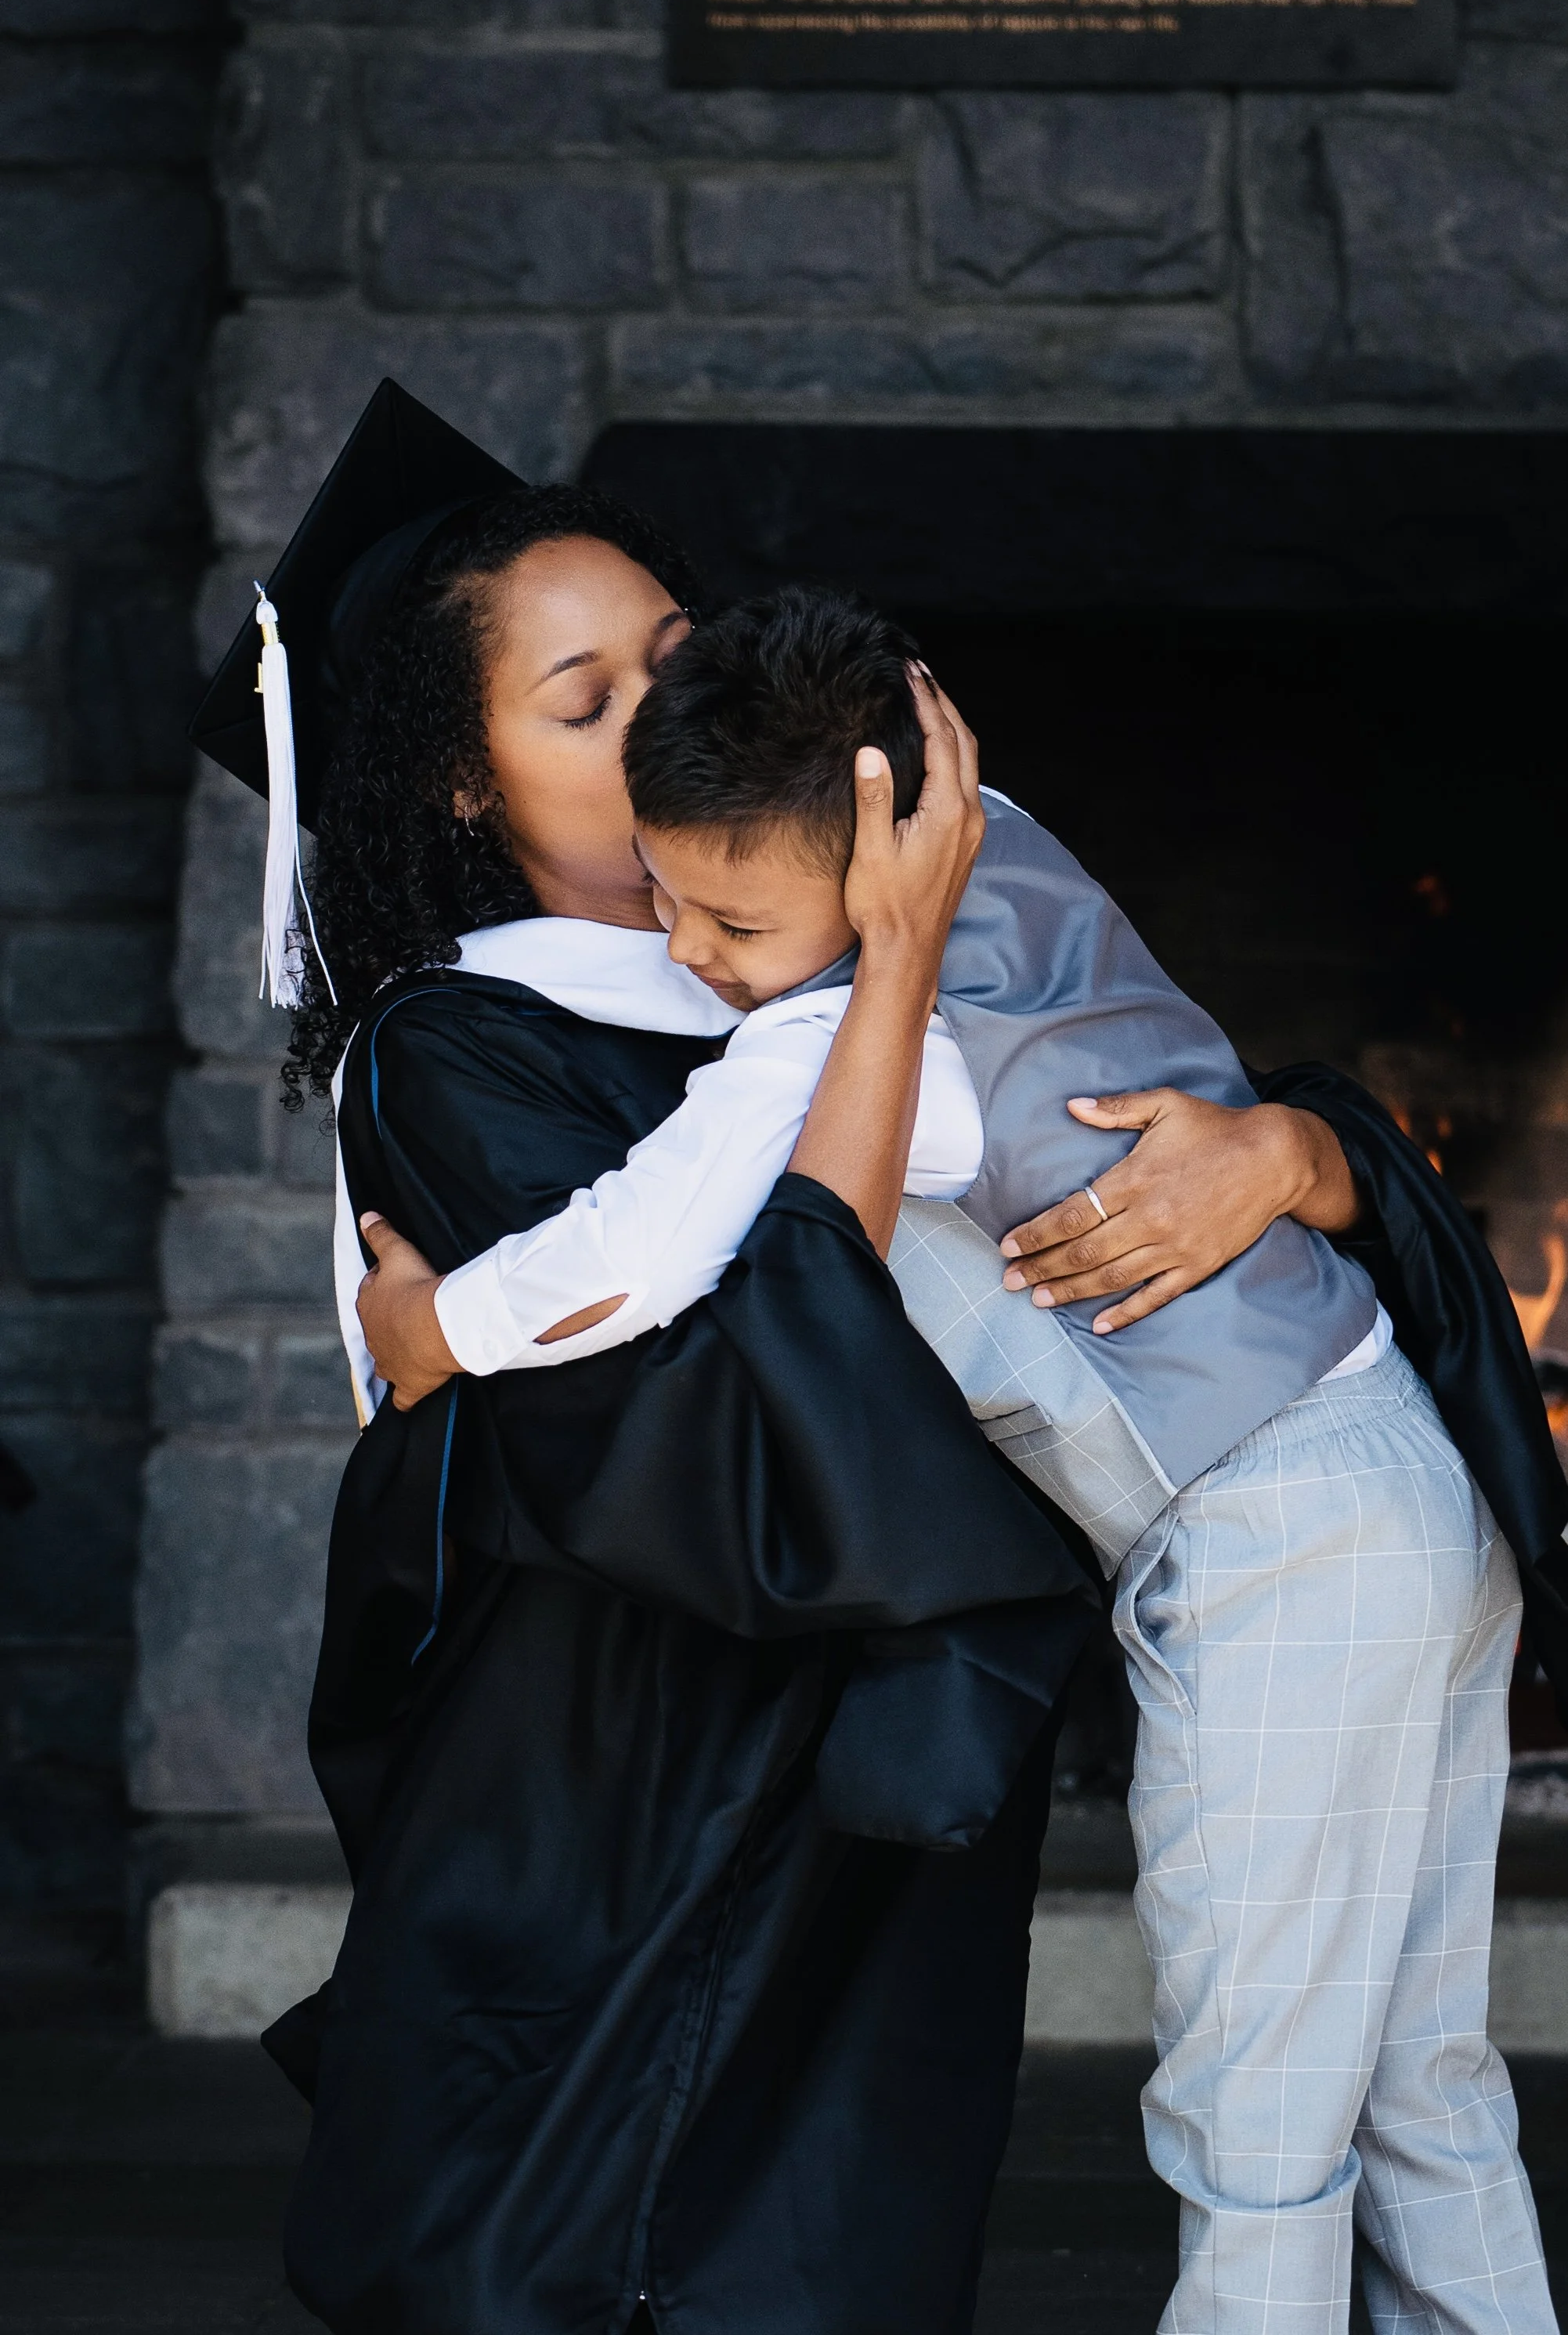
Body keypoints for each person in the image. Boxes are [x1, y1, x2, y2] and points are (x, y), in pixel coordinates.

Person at [360, 585, 1568, 2335]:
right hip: (1395, 1487)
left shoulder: (853, 1048)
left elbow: (646, 1240)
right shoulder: (1002, 842)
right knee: (1415, 2080)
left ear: (873, 868)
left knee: (1253, 2134)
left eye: (729, 917)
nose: (688, 949)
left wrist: (436, 1331)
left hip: (1276, 1538)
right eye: (669, 892)